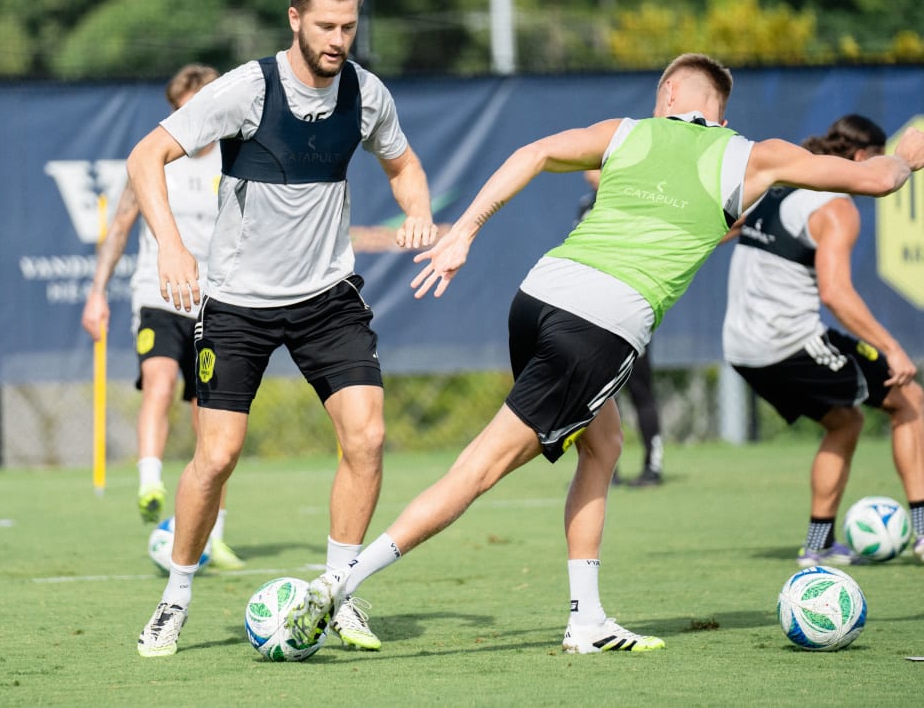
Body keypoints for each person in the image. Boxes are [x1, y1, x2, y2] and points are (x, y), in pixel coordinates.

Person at [285, 53, 924, 656]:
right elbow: (876, 178)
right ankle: (339, 584)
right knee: (478, 469)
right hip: (600, 325)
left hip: (537, 297)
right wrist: (907, 157)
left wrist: (465, 232)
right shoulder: (755, 154)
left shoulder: (627, 132)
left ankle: (587, 620)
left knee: (604, 445)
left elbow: (533, 152)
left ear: (668, 95)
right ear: (721, 111)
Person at [127, 0, 437, 657]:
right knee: (217, 455)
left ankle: (337, 593)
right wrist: (171, 246)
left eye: (349, 26)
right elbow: (146, 157)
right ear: (295, 19)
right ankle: (175, 597)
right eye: (325, 25)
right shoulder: (246, 89)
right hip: (237, 303)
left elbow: (405, 166)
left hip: (328, 296)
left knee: (367, 437)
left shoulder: (366, 94)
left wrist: (417, 209)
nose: (338, 40)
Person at [722, 114, 924, 566]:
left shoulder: (779, 185)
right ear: (861, 158)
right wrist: (891, 348)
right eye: (878, 164)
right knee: (910, 398)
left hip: (741, 349)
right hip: (787, 343)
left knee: (845, 421)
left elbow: (722, 230)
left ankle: (818, 546)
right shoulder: (835, 206)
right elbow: (836, 293)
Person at [80, 63, 244, 570]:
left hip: (215, 302)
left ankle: (215, 534)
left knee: (211, 424)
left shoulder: (238, 160)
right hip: (158, 296)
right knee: (159, 382)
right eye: (180, 109)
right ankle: (150, 483)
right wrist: (96, 293)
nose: (190, 119)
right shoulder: (157, 160)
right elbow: (119, 229)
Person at [578, 169, 664, 487]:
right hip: (594, 313)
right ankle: (606, 468)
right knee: (601, 392)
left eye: (596, 166)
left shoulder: (632, 202)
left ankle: (653, 465)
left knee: (640, 389)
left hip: (629, 309)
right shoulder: (586, 205)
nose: (588, 173)